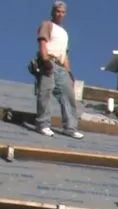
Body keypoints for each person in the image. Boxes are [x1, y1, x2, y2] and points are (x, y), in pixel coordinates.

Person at [33, 1, 84, 139]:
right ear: (53, 12)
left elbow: (64, 54)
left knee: (68, 96)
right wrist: (45, 60)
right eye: (57, 11)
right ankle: (43, 124)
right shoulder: (47, 25)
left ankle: (70, 127)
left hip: (61, 66)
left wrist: (69, 72)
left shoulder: (64, 33)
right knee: (45, 92)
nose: (60, 14)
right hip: (48, 62)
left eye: (62, 12)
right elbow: (43, 42)